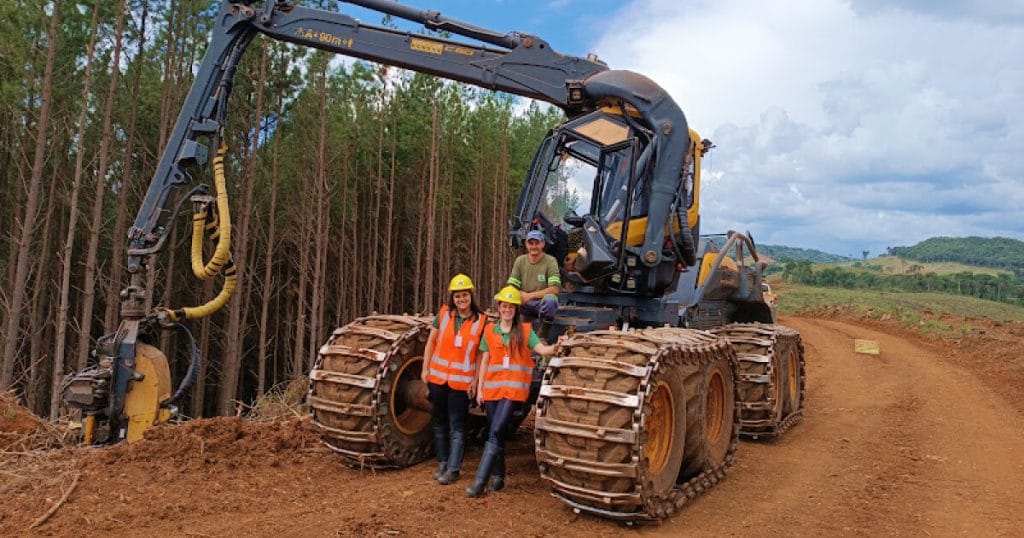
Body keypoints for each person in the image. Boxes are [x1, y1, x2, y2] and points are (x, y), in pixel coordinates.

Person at [465, 285, 562, 497]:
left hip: (513, 392)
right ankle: (498, 478)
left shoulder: (525, 331)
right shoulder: (490, 331)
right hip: (491, 390)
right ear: (499, 307)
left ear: (516, 309)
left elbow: (542, 350)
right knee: (495, 431)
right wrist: (480, 389)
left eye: (511, 307)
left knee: (496, 430)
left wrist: (556, 347)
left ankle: (480, 482)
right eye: (504, 306)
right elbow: (485, 361)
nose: (507, 310)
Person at [420, 273, 487, 485]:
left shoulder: (481, 321)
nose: (461, 299)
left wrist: (476, 381)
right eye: (457, 296)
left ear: (471, 295)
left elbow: (480, 354)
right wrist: (425, 369)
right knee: (439, 422)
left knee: (457, 425)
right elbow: (431, 342)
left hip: (461, 383)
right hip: (438, 379)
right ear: (453, 298)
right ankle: (442, 462)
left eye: (464, 295)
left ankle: (453, 469)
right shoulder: (443, 314)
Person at [507, 229, 560, 323]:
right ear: (526, 244)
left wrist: (530, 296)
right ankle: (511, 326)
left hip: (541, 302)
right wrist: (519, 294)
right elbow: (512, 285)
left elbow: (554, 289)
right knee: (507, 297)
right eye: (531, 243)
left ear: (543, 244)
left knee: (550, 301)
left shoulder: (551, 261)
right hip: (523, 302)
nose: (534, 246)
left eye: (537, 243)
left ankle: (544, 330)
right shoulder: (520, 261)